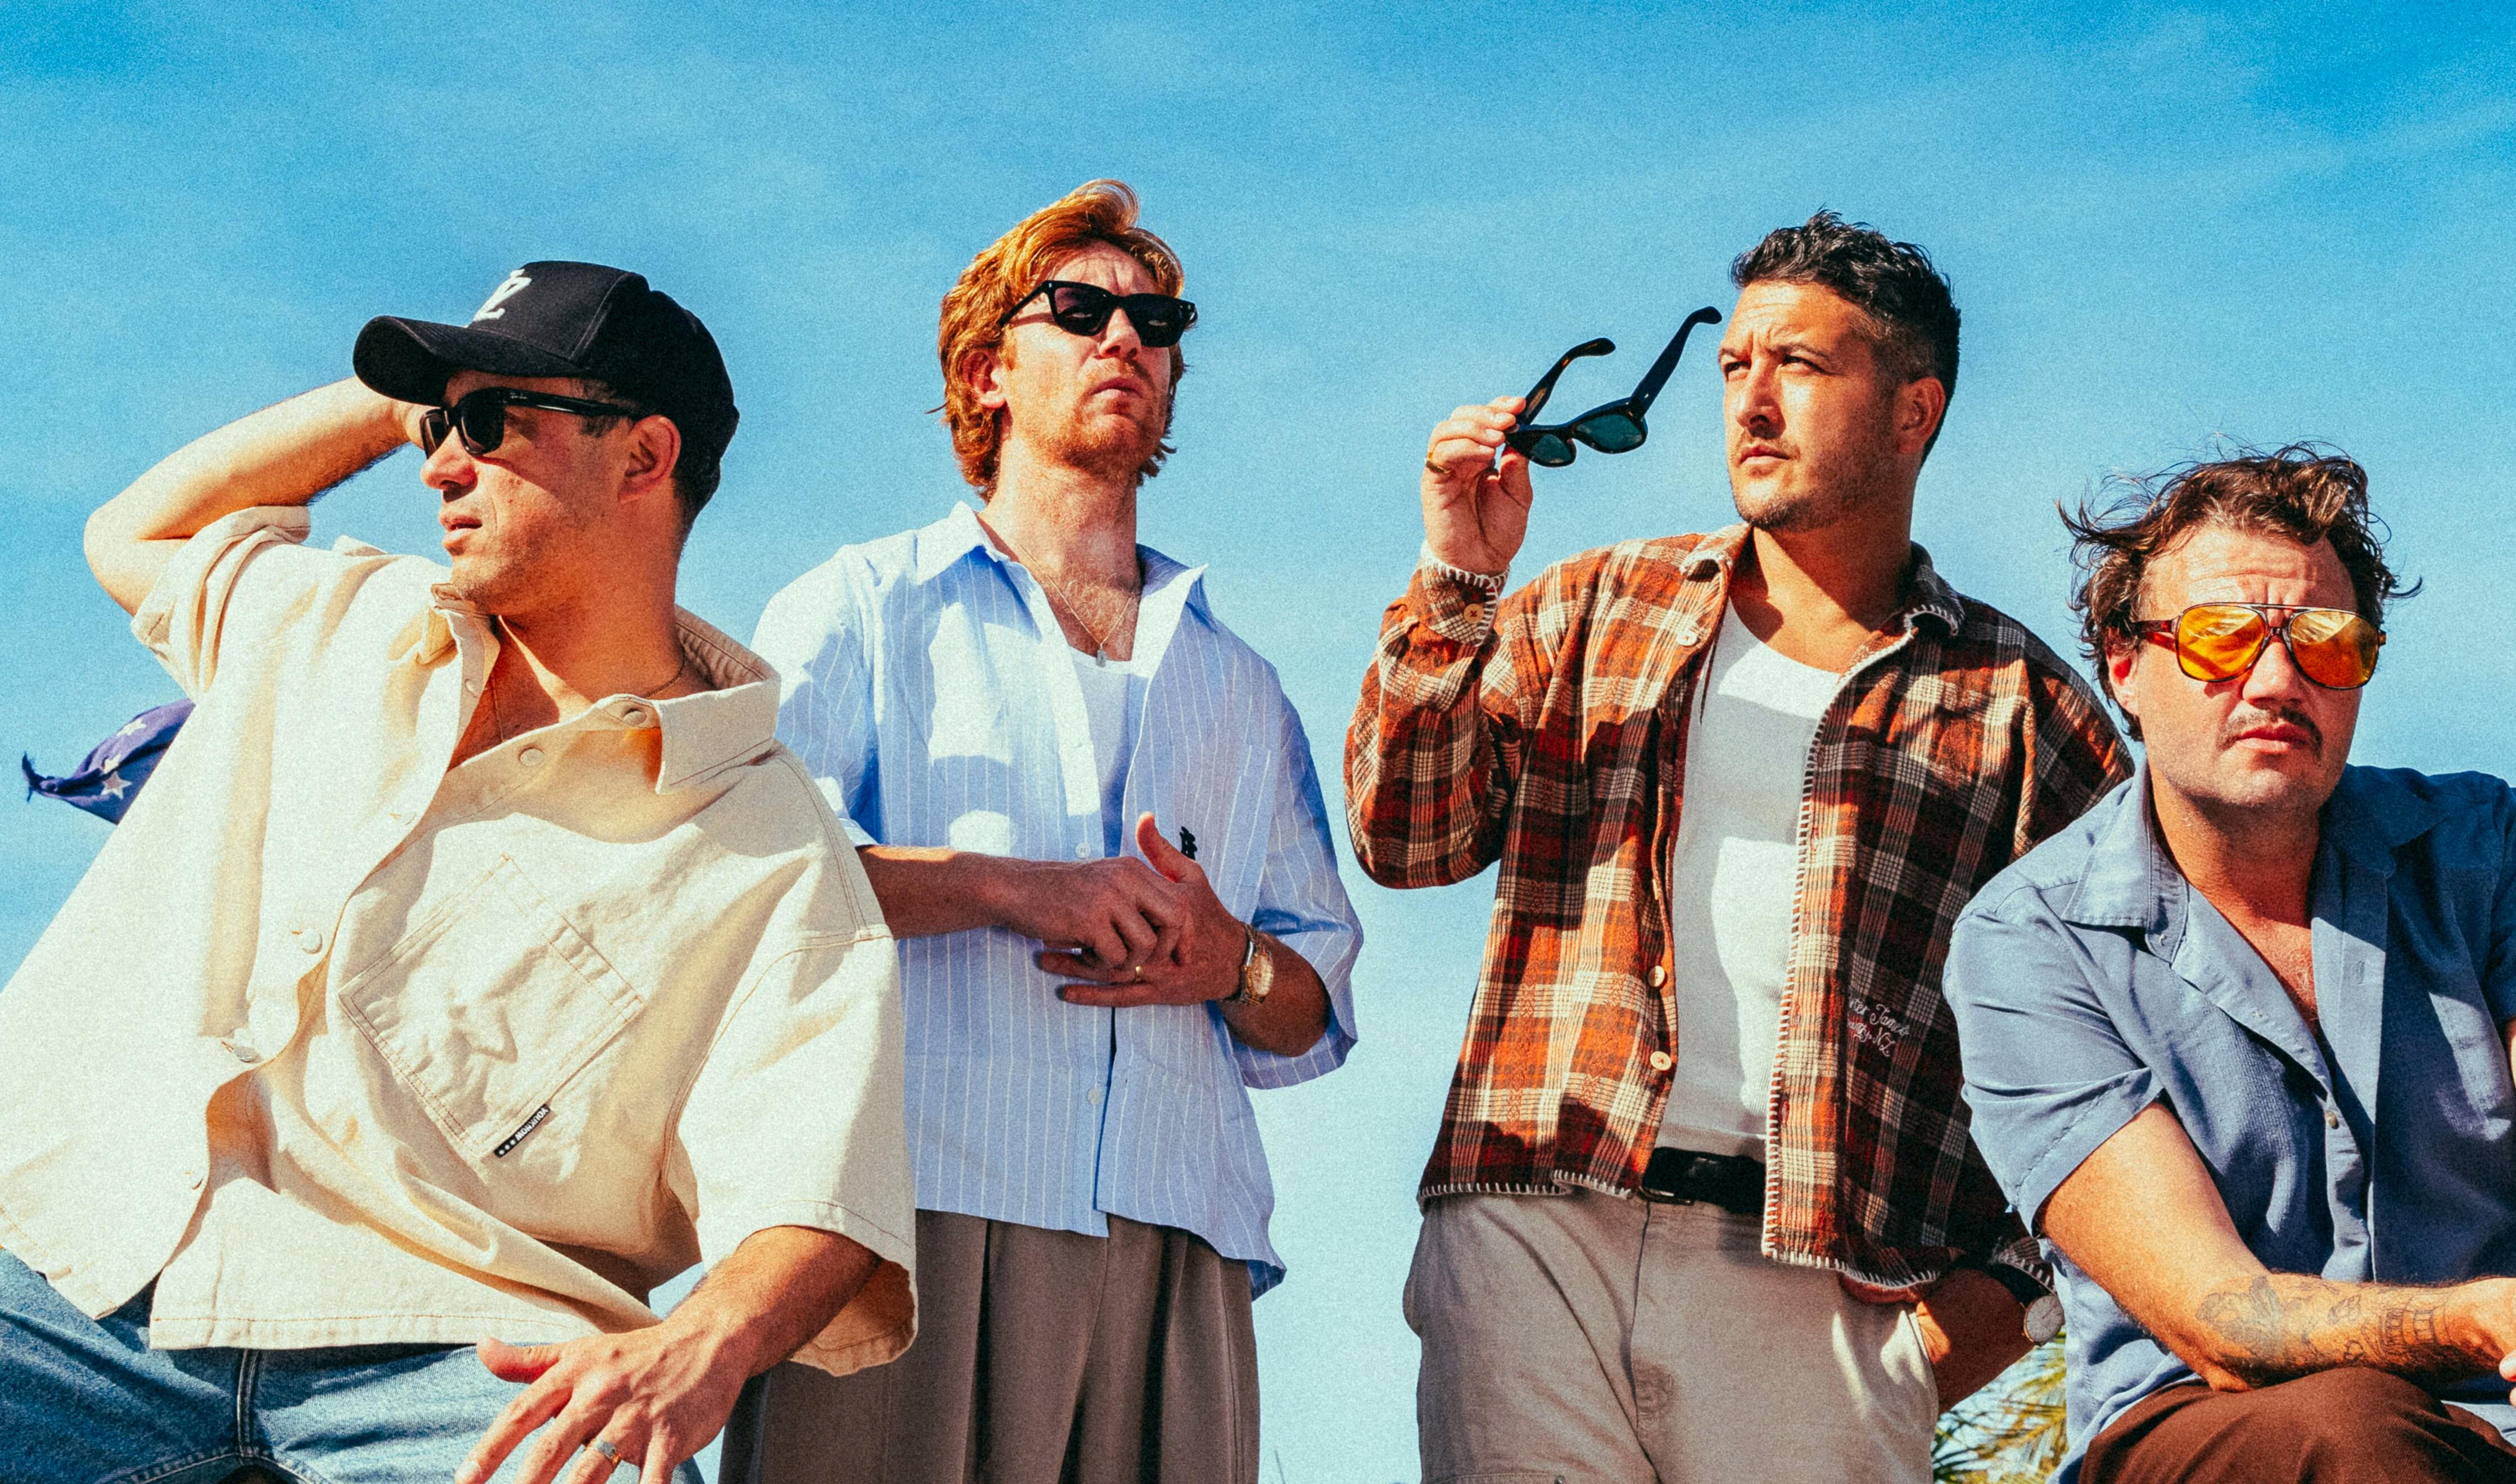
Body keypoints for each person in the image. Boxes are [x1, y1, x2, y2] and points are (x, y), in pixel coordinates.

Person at [0, 261, 916, 1484]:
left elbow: (818, 1189)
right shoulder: (336, 620)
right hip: (74, 1265)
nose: (440, 466)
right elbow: (136, 531)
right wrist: (410, 400)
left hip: (454, 1348)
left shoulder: (767, 841)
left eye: (489, 425)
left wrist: (704, 1341)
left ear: (645, 456)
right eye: (438, 428)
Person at [1346, 211, 2129, 1483]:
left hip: (1826, 1287)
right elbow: (1407, 837)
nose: (1753, 403)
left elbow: (2126, 1045)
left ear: (1914, 410)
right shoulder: (1594, 606)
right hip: (1535, 1228)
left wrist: (1994, 1304)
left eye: (1801, 365)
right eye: (1733, 368)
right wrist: (1456, 580)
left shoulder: (2026, 710)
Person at [743, 181, 1362, 1484]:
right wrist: (1008, 887)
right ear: (986, 372)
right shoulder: (859, 608)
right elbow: (746, 882)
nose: (1125, 338)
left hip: (1179, 1241)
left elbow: (1311, 997)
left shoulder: (1244, 687)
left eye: (1157, 321)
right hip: (907, 1216)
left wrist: (1233, 960)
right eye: (1078, 310)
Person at [1946, 447, 2516, 1483]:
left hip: (2497, 1422)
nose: (2278, 680)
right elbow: (2222, 1321)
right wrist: (2486, 1321)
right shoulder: (2031, 942)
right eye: (2221, 637)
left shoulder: (2484, 851)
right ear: (2125, 665)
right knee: (2354, 1430)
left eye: (2328, 644)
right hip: (2201, 1427)